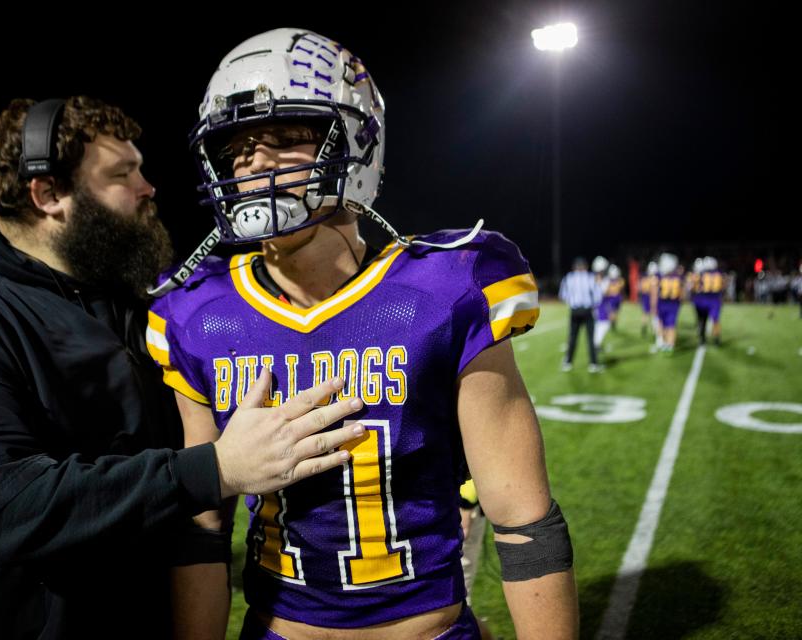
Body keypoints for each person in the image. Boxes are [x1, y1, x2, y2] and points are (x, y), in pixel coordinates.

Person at [0, 96, 363, 639]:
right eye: (123, 173)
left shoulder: (136, 307)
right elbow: (0, 509)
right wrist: (214, 470)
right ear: (48, 194)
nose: (148, 187)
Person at [149, 28, 577, 640]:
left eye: (288, 137)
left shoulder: (446, 287)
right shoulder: (197, 311)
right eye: (238, 149)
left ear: (356, 140)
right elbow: (202, 525)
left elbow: (522, 520)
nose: (256, 163)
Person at [559, 257, 603, 372]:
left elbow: (563, 295)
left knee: (572, 337)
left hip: (575, 311)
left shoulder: (569, 278)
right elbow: (598, 295)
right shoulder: (590, 277)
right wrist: (592, 304)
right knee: (590, 338)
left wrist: (572, 302)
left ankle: (568, 362)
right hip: (587, 311)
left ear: (574, 267)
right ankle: (593, 364)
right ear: (586, 267)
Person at [652, 252, 684, 353]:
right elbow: (682, 294)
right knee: (671, 325)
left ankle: (667, 344)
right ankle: (670, 345)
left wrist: (653, 306)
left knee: (663, 324)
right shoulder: (678, 277)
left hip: (662, 303)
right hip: (674, 304)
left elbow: (654, 293)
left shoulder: (659, 276)